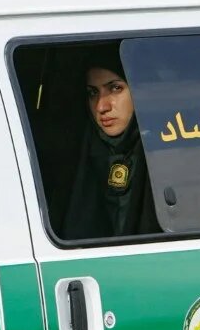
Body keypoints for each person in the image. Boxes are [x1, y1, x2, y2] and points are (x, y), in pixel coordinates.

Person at [59, 46, 159, 239]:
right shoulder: (76, 156)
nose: (101, 106)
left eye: (115, 88)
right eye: (92, 93)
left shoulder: (167, 151)